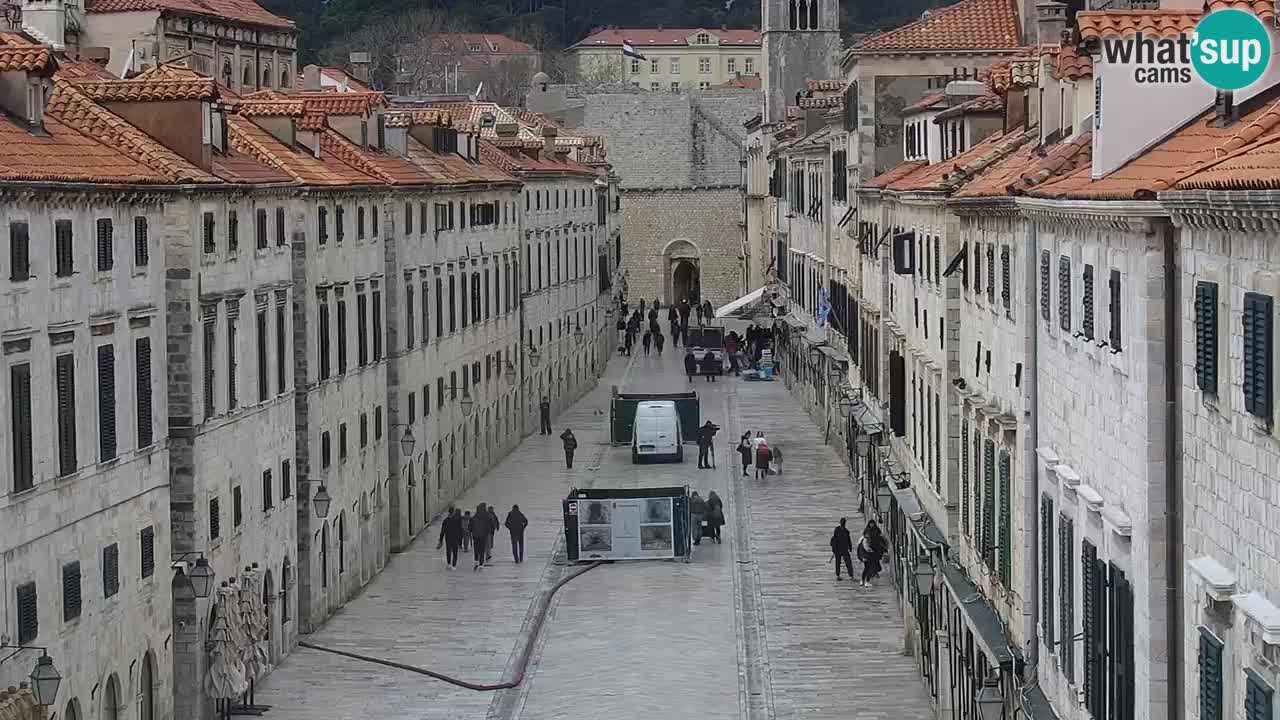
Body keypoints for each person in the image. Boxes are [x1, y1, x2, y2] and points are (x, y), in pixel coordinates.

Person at [857, 520, 889, 586]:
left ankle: (865, 580)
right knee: (868, 568)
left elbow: (880, 540)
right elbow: (863, 548)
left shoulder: (876, 532)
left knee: (869, 567)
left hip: (874, 552)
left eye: (873, 524)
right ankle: (865, 581)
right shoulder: (865, 540)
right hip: (869, 554)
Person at [470, 504, 491, 570]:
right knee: (482, 550)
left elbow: (470, 527)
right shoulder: (484, 518)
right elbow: (488, 527)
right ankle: (481, 564)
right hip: (483, 536)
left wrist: (472, 531)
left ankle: (476, 562)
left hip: (475, 536)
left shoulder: (473, 518)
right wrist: (487, 532)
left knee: (476, 549)